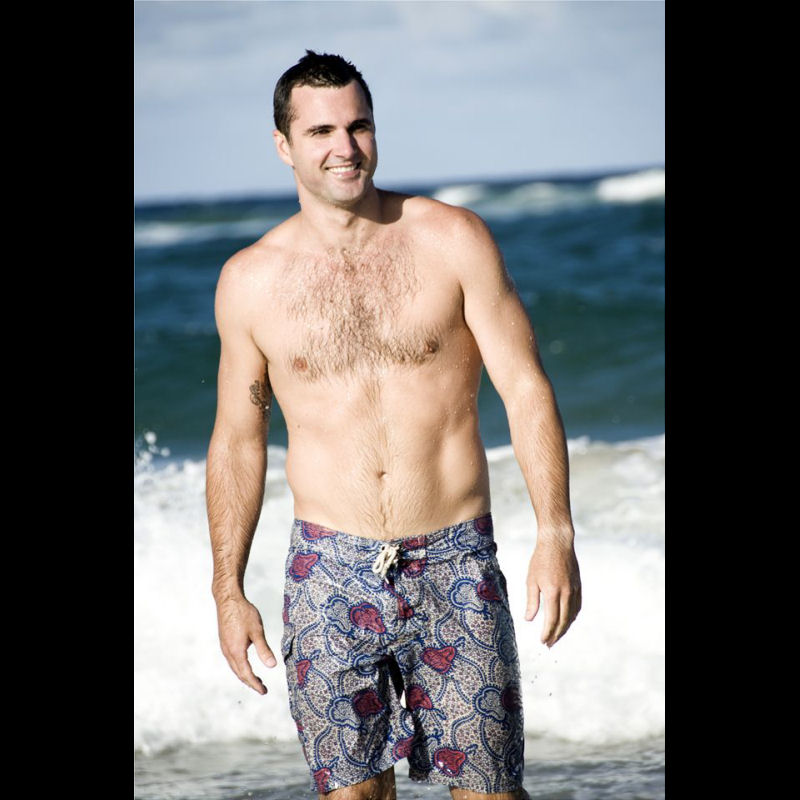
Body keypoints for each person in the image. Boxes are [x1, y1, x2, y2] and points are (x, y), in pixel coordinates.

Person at [206, 50, 581, 800]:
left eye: (359, 126)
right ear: (283, 145)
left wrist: (556, 533)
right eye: (320, 132)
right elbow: (238, 441)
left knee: (491, 791)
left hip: (455, 559)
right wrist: (228, 590)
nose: (344, 147)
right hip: (326, 570)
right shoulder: (249, 281)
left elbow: (525, 386)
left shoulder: (452, 239)